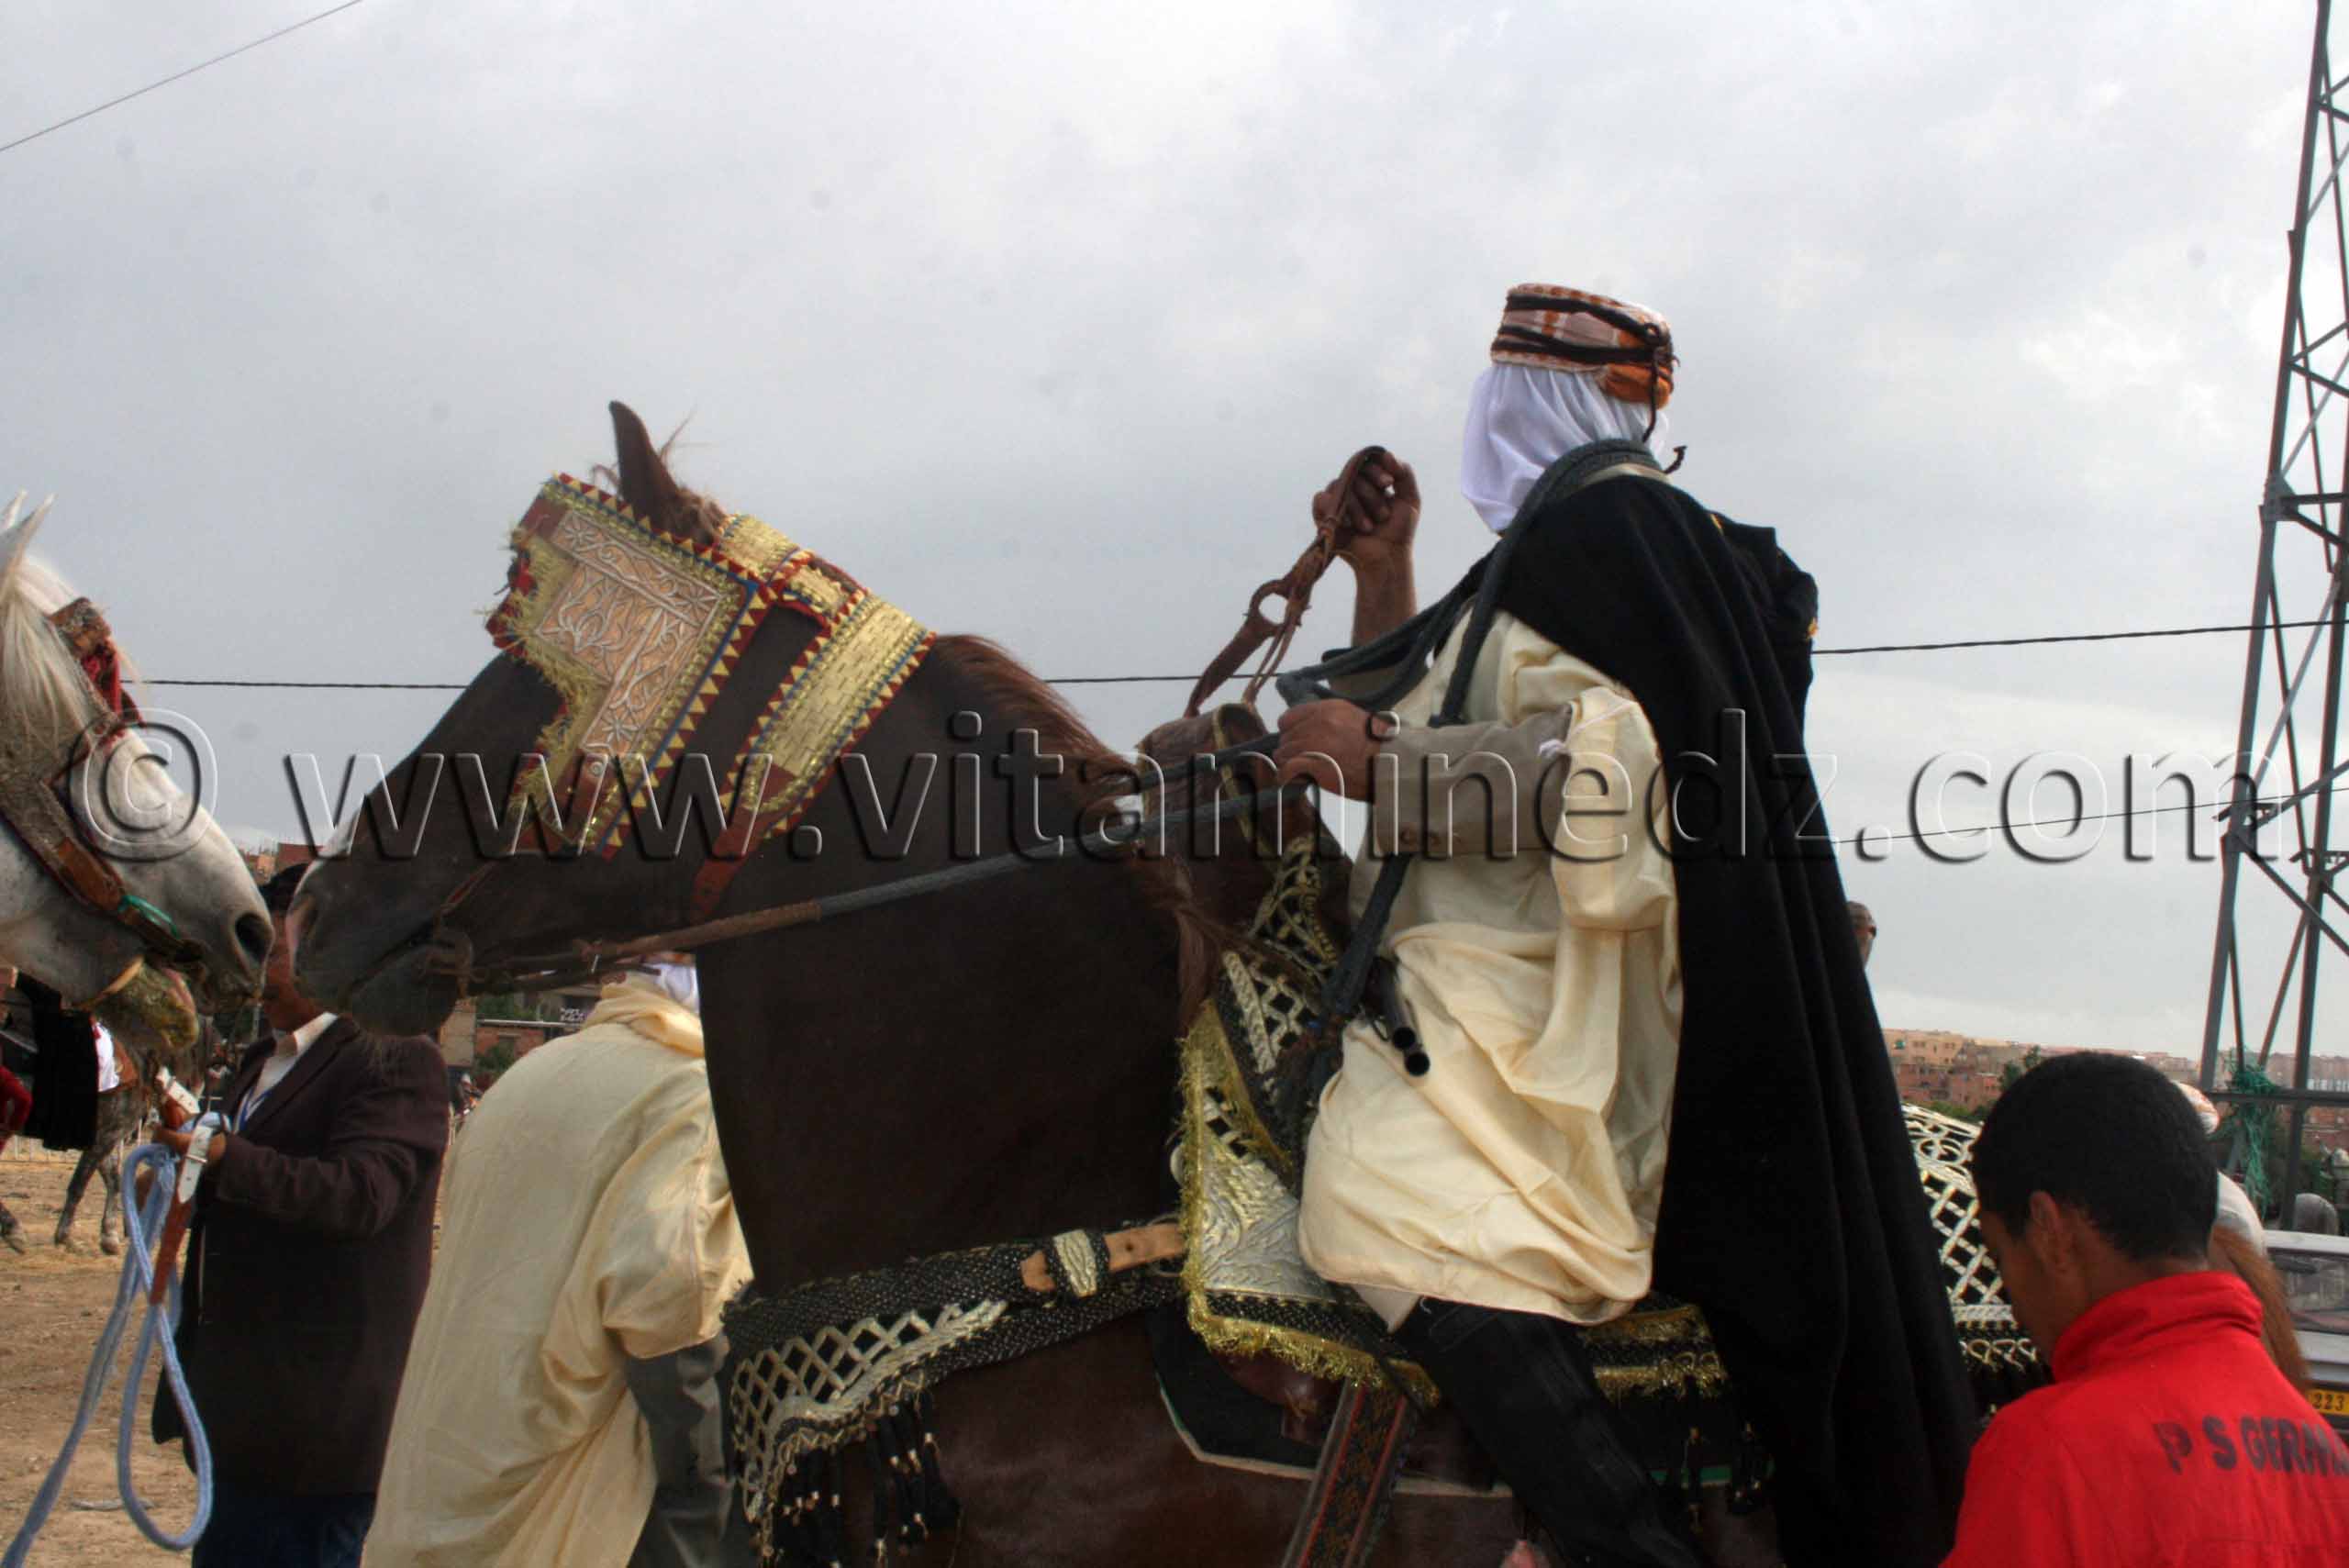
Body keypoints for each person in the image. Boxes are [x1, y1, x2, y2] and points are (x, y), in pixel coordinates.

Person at [1275, 283, 1976, 1565]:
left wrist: (1382, 759)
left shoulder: (1611, 536)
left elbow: (1622, 780)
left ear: (1526, 399)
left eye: (1499, 392)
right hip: (1479, 949)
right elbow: (1441, 728)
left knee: (1385, 1197)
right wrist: (1386, 577)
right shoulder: (1566, 543)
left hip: (1561, 987)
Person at [362, 957, 752, 1568]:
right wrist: (702, 1511)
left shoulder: (525, 1077)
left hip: (437, 1502)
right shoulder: (691, 1097)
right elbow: (674, 1316)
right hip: (568, 1521)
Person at [150, 865, 449, 1568]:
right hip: (243, 1422)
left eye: (271, 952)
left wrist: (224, 1158)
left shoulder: (398, 1058)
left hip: (320, 1434)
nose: (257, 972)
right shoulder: (261, 1060)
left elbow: (361, 1195)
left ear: (326, 952)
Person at [1948, 1051, 2346, 1564]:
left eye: (2001, 1256)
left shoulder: (2050, 1453)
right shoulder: (2321, 1452)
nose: (2016, 1307)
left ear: (2049, 1230)